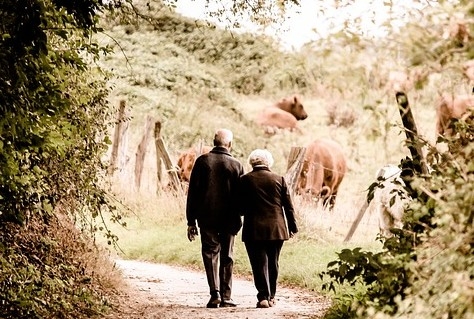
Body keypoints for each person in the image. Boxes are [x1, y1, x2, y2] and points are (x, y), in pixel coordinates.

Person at [186, 128, 245, 308]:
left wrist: (191, 221)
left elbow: (193, 194)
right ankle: (227, 296)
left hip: (207, 217)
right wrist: (240, 215)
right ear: (230, 144)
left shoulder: (202, 162)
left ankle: (215, 294)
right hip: (230, 219)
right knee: (227, 255)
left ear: (214, 141)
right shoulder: (236, 165)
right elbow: (241, 196)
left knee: (210, 254)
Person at [238, 149, 298, 309]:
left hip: (253, 229)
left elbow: (240, 208)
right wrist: (292, 227)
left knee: (258, 263)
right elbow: (288, 207)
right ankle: (272, 296)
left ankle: (263, 296)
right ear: (268, 162)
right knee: (273, 262)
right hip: (277, 228)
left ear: (252, 162)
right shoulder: (279, 179)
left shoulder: (244, 180)